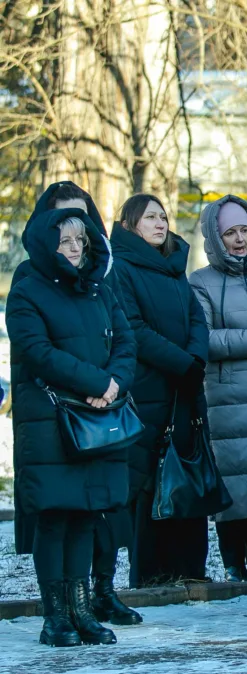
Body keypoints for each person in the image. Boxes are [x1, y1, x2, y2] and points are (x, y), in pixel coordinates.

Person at [11, 182, 142, 626]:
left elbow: (126, 340)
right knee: (55, 518)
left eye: (80, 241)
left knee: (87, 516)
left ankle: (83, 613)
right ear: (48, 242)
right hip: (51, 419)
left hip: (98, 416)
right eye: (64, 240)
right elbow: (36, 350)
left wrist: (113, 384)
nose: (72, 248)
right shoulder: (28, 287)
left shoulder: (99, 288)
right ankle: (56, 618)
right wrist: (95, 381)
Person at [111, 194, 211, 588]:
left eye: (163, 217)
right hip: (149, 391)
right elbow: (133, 328)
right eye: (150, 217)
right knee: (151, 481)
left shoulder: (174, 269)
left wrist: (195, 360)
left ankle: (189, 567)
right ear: (130, 224)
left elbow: (196, 319)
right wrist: (181, 363)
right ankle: (151, 574)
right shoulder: (120, 270)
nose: (160, 223)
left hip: (185, 390)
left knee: (189, 472)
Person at [190, 196, 247, 582]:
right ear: (216, 237)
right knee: (233, 482)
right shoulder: (200, 283)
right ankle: (233, 561)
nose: (239, 239)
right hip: (226, 398)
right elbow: (205, 339)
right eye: (230, 232)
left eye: (244, 229)